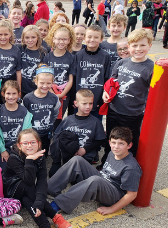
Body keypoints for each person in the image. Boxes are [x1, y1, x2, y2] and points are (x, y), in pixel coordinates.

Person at [3, 128, 72, 228]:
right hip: (11, 190)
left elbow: (41, 181)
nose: (29, 145)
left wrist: (39, 202)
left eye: (33, 142)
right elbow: (29, 180)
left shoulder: (40, 156)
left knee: (28, 198)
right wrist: (29, 159)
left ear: (39, 143)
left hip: (26, 192)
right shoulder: (13, 157)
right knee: (28, 187)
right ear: (19, 145)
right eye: (25, 143)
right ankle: (54, 216)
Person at [48, 127, 142, 216]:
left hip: (113, 194)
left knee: (95, 180)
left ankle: (59, 204)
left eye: (121, 143)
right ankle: (48, 188)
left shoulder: (130, 167)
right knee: (77, 160)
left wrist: (111, 209)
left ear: (129, 145)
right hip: (102, 180)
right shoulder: (112, 153)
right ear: (109, 142)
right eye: (114, 142)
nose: (116, 147)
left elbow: (131, 194)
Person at [102, 29, 154, 163]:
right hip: (114, 110)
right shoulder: (121, 63)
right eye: (134, 45)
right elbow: (111, 82)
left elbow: (155, 92)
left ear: (150, 46)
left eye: (142, 45)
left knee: (129, 142)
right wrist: (105, 93)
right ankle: (107, 162)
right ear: (129, 47)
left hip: (132, 114)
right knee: (112, 138)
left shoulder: (150, 67)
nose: (138, 49)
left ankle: (126, 166)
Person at [49, 89, 107, 177]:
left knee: (77, 180)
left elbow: (100, 140)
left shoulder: (95, 122)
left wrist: (85, 149)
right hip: (68, 154)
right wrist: (56, 160)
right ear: (76, 104)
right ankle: (57, 164)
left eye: (90, 103)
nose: (88, 106)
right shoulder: (68, 120)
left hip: (85, 156)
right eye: (84, 103)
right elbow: (57, 137)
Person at [0, 81, 32, 171]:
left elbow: (28, 133)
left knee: (22, 172)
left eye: (14, 93)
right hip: (4, 148)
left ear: (19, 94)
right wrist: (2, 150)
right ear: (3, 93)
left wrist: (22, 150)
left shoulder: (25, 112)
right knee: (4, 172)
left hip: (21, 149)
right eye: (8, 93)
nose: (11, 97)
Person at [73, 25, 111, 119]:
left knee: (95, 124)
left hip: (96, 99)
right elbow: (74, 77)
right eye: (89, 37)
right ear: (84, 38)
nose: (92, 39)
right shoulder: (78, 55)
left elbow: (106, 78)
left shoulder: (105, 56)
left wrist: (101, 100)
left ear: (101, 39)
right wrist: (74, 98)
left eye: (96, 37)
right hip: (80, 99)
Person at [22, 64, 60, 159]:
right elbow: (23, 115)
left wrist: (49, 123)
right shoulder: (28, 98)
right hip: (32, 134)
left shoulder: (54, 98)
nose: (45, 86)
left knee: (43, 155)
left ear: (52, 83)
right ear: (36, 81)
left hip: (46, 133)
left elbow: (55, 113)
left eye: (48, 83)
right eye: (42, 83)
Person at [44, 23, 75, 126]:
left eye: (64, 39)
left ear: (69, 40)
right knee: (48, 116)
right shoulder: (48, 57)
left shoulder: (71, 58)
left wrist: (61, 94)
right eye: (59, 39)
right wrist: (52, 92)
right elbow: (43, 76)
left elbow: (70, 79)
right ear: (53, 39)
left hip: (64, 94)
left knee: (59, 118)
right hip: (48, 91)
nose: (61, 42)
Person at [19, 25, 46, 96]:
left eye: (33, 37)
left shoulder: (43, 52)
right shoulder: (20, 48)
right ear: (23, 38)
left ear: (38, 37)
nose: (30, 40)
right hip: (21, 88)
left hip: (35, 90)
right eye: (27, 37)